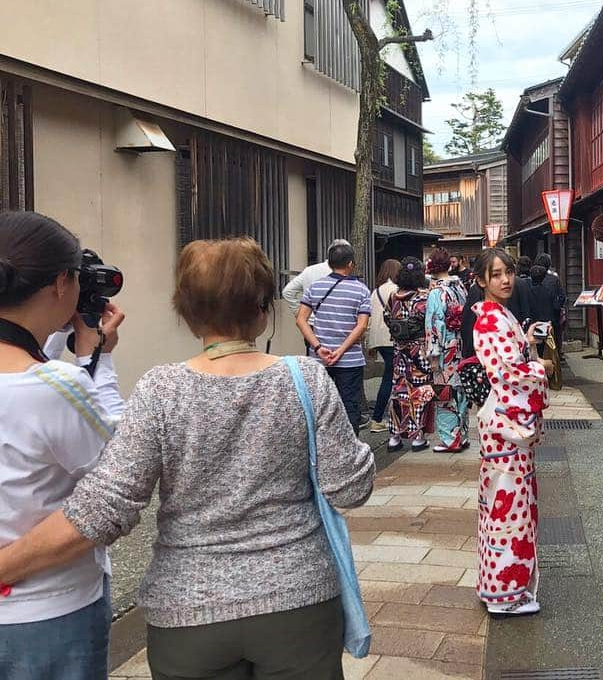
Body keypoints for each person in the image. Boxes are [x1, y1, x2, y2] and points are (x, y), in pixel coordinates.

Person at [0, 237, 376, 680]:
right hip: (297, 601)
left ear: (187, 311)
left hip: (188, 609)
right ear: (262, 308)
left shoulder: (161, 389)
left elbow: (106, 506)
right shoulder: (305, 378)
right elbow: (350, 487)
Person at [0, 211, 125, 680]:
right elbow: (118, 461)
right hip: (44, 611)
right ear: (59, 284)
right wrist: (99, 361)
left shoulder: (46, 380)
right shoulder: (56, 386)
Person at [471, 248, 549, 617]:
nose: (505, 280)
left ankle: (497, 586)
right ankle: (505, 594)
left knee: (503, 507)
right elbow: (508, 374)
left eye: (508, 273)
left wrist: (528, 345)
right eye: (496, 274)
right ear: (482, 280)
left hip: (504, 426)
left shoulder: (498, 315)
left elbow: (510, 360)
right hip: (507, 429)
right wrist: (540, 367)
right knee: (509, 512)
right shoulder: (489, 320)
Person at [296, 242, 373, 433]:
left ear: (330, 264)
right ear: (350, 264)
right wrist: (342, 349)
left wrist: (317, 347)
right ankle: (351, 446)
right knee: (350, 404)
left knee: (321, 404)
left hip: (320, 359)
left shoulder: (315, 287)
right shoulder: (361, 290)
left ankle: (323, 445)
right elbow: (361, 325)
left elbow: (301, 320)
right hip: (350, 359)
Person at [424, 248, 469, 453]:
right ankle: (463, 435)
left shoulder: (436, 292)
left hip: (445, 348)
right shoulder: (459, 287)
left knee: (444, 393)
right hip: (460, 344)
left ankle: (450, 439)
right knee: (460, 391)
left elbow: (434, 325)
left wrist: (433, 354)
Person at [387, 257, 433, 452]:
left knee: (398, 391)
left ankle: (394, 437)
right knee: (419, 392)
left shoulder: (392, 296)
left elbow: (387, 318)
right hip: (418, 351)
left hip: (398, 351)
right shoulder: (423, 298)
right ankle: (417, 437)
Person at [366, 258, 402, 433]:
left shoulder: (375, 292)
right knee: (390, 378)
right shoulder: (397, 290)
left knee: (390, 375)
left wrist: (369, 345)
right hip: (392, 338)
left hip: (378, 340)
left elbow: (369, 318)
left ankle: (383, 416)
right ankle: (378, 418)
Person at [281, 239, 350, 316]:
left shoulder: (309, 270)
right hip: (334, 323)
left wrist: (298, 313)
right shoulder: (342, 274)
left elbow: (287, 291)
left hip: (308, 322)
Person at [534, 253, 567, 353]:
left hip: (536, 317)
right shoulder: (554, 279)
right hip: (552, 317)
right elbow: (562, 296)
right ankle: (555, 362)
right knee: (553, 343)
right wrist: (557, 308)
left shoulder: (532, 278)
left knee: (538, 343)